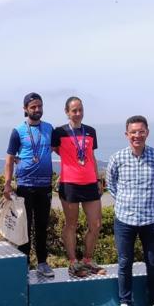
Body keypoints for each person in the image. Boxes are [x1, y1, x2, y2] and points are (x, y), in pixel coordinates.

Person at [106, 115, 154, 306]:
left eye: (141, 131)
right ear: (126, 134)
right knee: (124, 262)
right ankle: (125, 304)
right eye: (133, 132)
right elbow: (111, 184)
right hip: (125, 220)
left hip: (152, 220)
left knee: (153, 263)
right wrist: (124, 202)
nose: (137, 135)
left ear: (147, 132)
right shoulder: (117, 158)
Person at [3, 92, 55, 278]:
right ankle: (24, 265)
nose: (37, 110)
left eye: (39, 106)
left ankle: (42, 263)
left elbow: (59, 149)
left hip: (45, 185)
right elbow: (9, 159)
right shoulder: (18, 131)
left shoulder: (49, 128)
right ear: (25, 109)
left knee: (42, 226)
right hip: (25, 185)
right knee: (24, 226)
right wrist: (7, 184)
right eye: (33, 107)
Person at [51, 96, 103, 278]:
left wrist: (97, 179)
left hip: (90, 182)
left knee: (95, 224)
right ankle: (73, 262)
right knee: (71, 224)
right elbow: (51, 150)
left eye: (80, 109)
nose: (78, 113)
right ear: (67, 112)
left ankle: (88, 260)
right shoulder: (59, 132)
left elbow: (91, 156)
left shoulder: (90, 131)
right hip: (69, 183)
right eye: (74, 110)